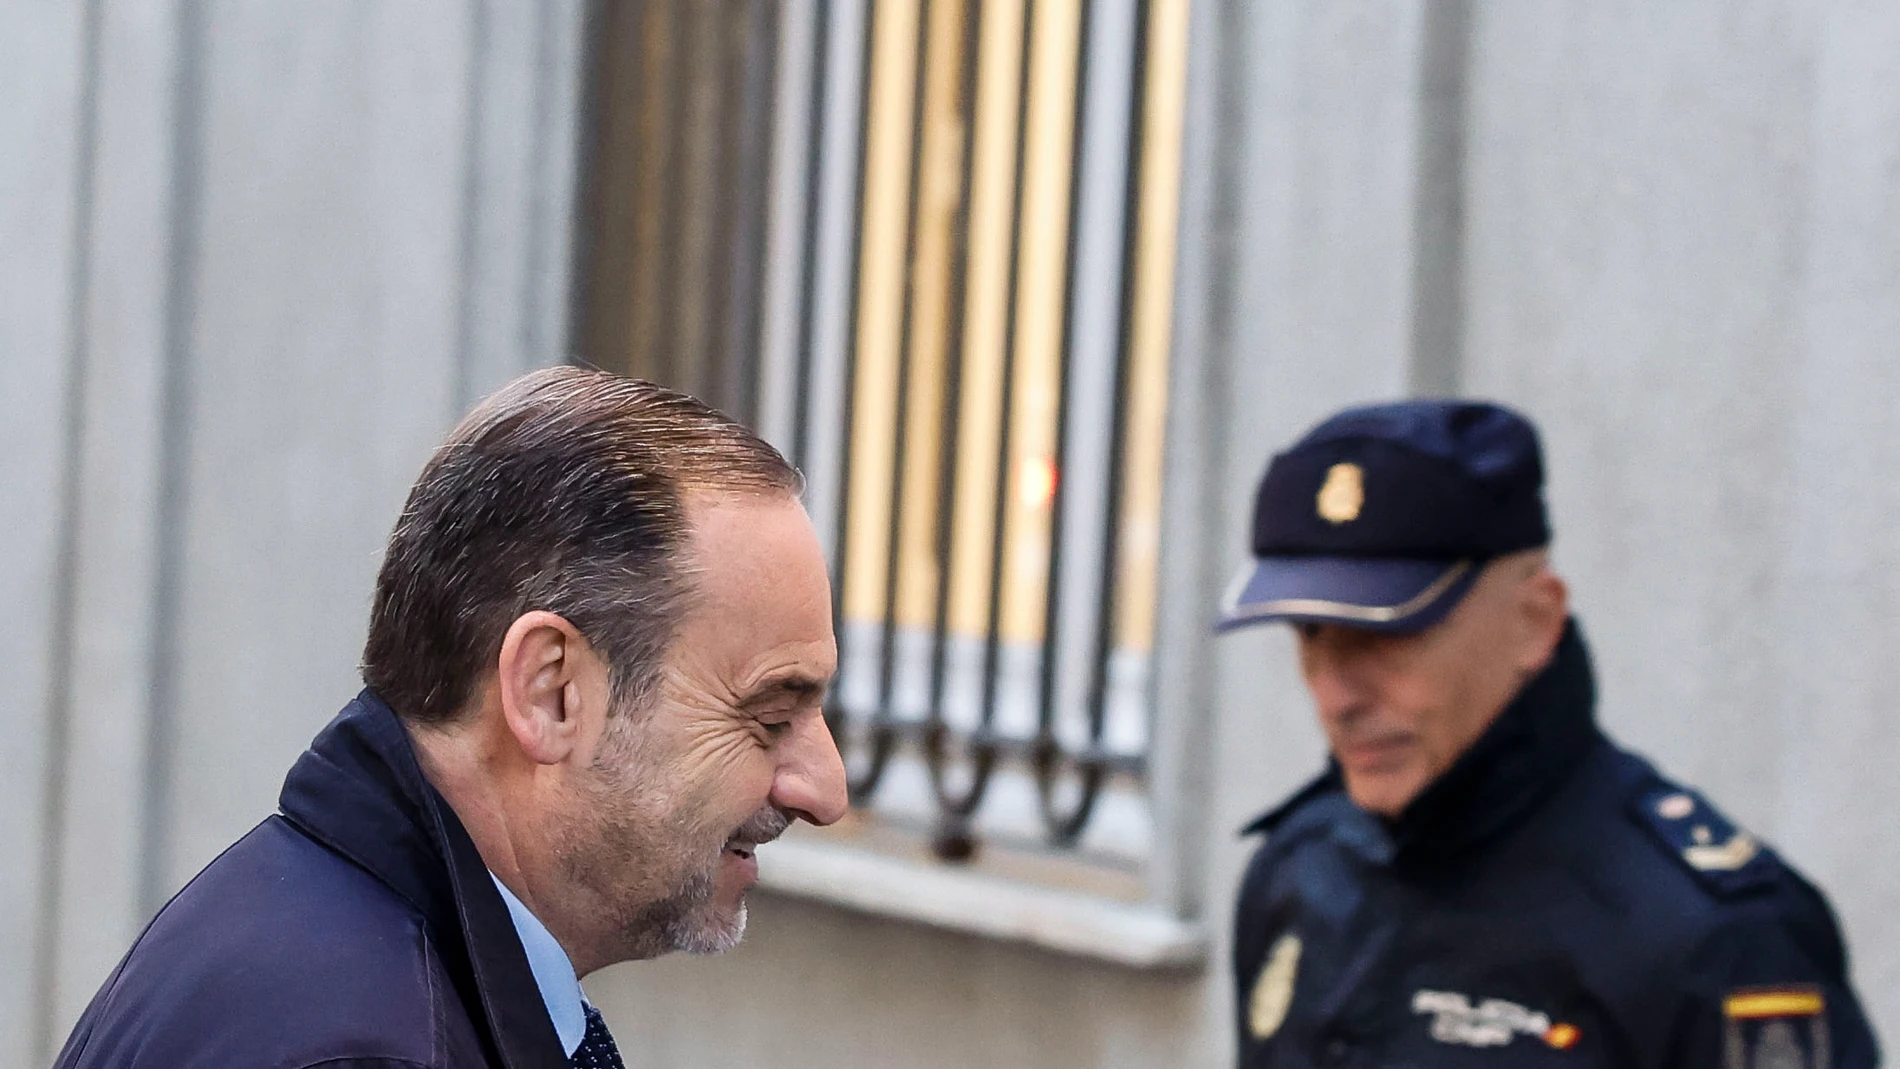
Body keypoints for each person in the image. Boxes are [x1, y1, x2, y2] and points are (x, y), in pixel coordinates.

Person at [54, 367, 848, 1068]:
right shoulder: (369, 1044)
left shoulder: (320, 951)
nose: (826, 788)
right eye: (769, 717)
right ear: (551, 691)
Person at [1221, 400, 1879, 1069]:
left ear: (1536, 619)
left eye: (1385, 638)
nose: (1337, 696)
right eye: (1310, 636)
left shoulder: (1715, 937)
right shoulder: (1301, 868)